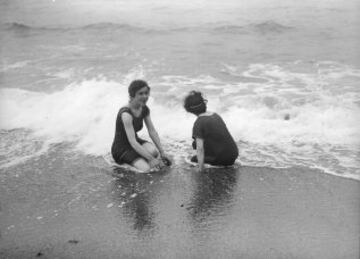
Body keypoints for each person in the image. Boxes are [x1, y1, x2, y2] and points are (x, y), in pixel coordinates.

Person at [111, 80, 171, 172]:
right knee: (146, 169)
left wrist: (162, 152)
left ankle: (140, 158)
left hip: (135, 141)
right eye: (140, 93)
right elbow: (133, 142)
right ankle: (130, 163)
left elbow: (152, 131)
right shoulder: (126, 114)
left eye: (146, 93)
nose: (145, 96)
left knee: (154, 151)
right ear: (132, 95)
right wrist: (151, 159)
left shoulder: (144, 109)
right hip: (121, 148)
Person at [183, 91, 238, 172]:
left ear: (189, 110)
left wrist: (200, 168)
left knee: (193, 159)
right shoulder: (215, 115)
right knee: (196, 143)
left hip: (222, 160)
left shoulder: (199, 123)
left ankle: (213, 164)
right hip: (233, 155)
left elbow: (200, 148)